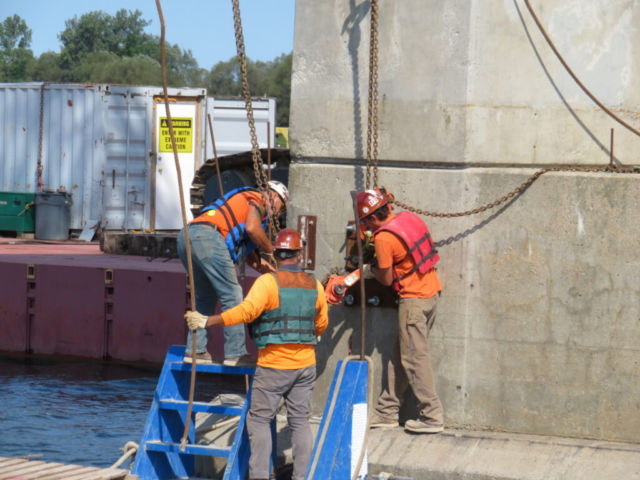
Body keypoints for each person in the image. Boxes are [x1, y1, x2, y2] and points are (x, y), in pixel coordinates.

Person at [185, 228, 328, 480]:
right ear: (298, 254)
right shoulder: (314, 284)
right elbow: (321, 324)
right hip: (306, 365)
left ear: (275, 255)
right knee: (300, 421)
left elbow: (245, 313)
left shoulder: (267, 282)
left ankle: (260, 476)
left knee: (260, 420)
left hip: (274, 365)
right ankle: (303, 476)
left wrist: (207, 321)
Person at [357, 188, 444, 434]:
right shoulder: (408, 219)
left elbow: (385, 279)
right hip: (431, 294)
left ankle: (431, 416)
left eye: (364, 221)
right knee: (400, 356)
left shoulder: (383, 238)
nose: (364, 226)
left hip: (413, 301)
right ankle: (387, 411)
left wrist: (369, 270)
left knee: (415, 359)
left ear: (373, 218)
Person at [177, 180, 289, 366]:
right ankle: (236, 354)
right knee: (233, 295)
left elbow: (252, 258)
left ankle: (195, 351)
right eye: (281, 207)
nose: (278, 213)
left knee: (206, 297)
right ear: (274, 196)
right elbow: (253, 229)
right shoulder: (258, 200)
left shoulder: (242, 207)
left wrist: (276, 273)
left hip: (187, 237)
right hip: (209, 239)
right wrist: (273, 250)